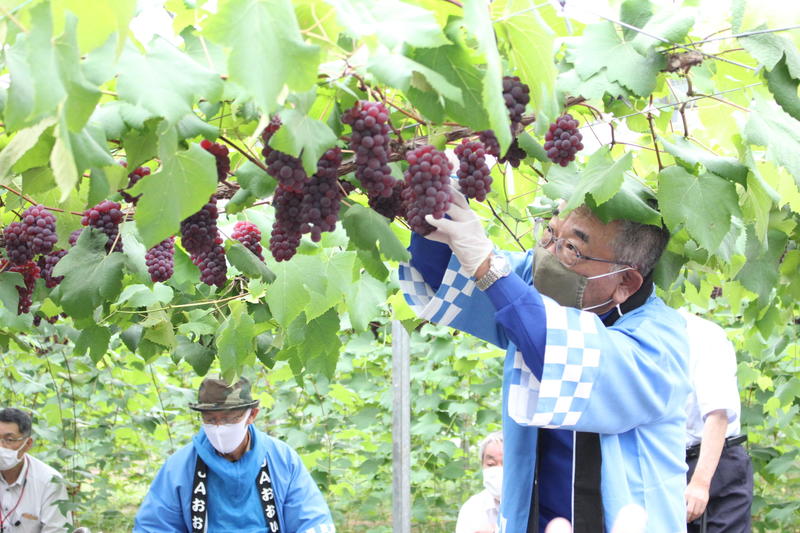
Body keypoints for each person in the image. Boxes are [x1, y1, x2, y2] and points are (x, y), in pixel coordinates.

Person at [399, 186, 690, 532]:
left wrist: (489, 270)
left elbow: (564, 356)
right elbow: (442, 272)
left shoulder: (660, 342)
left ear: (626, 281)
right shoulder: (539, 284)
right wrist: (438, 190)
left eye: (572, 248)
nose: (549, 255)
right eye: (550, 233)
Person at [134, 376, 335, 533]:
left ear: (252, 415)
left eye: (230, 419)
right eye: (211, 420)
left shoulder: (282, 459)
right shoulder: (179, 467)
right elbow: (154, 526)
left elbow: (312, 520)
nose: (219, 427)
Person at [680, 310, 752, 532]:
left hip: (714, 464)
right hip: (668, 462)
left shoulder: (701, 333)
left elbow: (718, 413)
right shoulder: (634, 329)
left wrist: (701, 483)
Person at [0, 407, 75, 533]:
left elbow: (56, 530)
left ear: (28, 444)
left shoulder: (49, 481)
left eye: (9, 440)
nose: (1, 446)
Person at [456, 431, 504, 533]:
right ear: (482, 465)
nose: (499, 469)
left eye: (506, 464)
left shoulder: (536, 506)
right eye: (491, 464)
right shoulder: (472, 509)